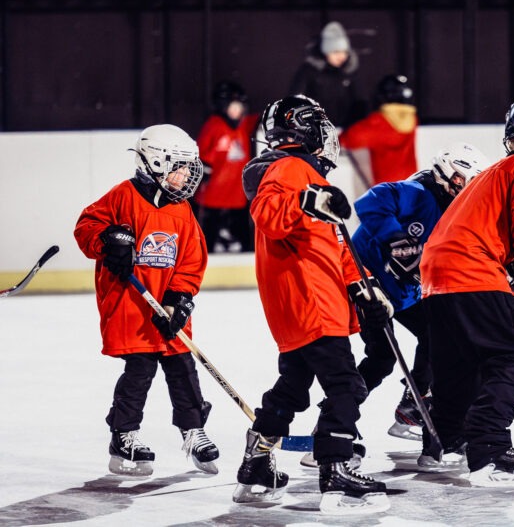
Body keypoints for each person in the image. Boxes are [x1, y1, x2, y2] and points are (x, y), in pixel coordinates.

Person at [233, 94, 391, 515]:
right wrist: (309, 201)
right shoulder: (289, 169)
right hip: (312, 303)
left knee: (292, 388)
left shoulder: (307, 175)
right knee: (346, 385)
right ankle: (335, 467)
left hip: (304, 306)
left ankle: (256, 462)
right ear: (309, 131)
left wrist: (364, 289)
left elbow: (337, 246)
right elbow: (268, 214)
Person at [417, 95, 514, 487]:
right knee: (510, 354)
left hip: (436, 273)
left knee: (458, 362)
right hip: (472, 268)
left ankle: (446, 440)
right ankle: (489, 446)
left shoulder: (490, 172)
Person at [73, 124, 219, 477]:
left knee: (183, 369)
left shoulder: (182, 210)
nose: (186, 176)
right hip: (132, 306)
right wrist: (110, 238)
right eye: (179, 166)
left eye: (188, 167)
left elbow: (191, 260)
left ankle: (193, 429)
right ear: (156, 162)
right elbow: (86, 227)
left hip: (163, 308)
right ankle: (123, 436)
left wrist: (179, 299)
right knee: (140, 372)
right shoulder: (123, 196)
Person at [350, 142, 490, 441]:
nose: (465, 191)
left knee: (439, 333)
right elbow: (368, 201)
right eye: (461, 182)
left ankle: (412, 406)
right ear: (447, 175)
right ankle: (336, 422)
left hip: (403, 292)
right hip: (368, 284)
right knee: (382, 358)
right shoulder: (419, 193)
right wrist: (396, 239)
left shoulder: (455, 210)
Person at [194, 81, 260, 252]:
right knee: (210, 230)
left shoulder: (243, 124)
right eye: (234, 107)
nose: (238, 112)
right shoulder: (214, 125)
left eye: (240, 107)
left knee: (241, 227)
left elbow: (258, 121)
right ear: (223, 107)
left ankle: (240, 248)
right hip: (214, 191)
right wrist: (203, 171)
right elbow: (202, 152)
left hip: (236, 190)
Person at [339, 74, 418, 186]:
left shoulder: (379, 122)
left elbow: (348, 139)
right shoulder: (413, 119)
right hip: (412, 185)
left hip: (388, 190)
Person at [289, 21, 367, 129]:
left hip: (346, 133)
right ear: (325, 51)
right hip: (317, 131)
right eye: (335, 52)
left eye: (344, 51)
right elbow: (295, 100)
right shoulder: (309, 71)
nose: (341, 56)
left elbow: (360, 102)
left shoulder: (349, 72)